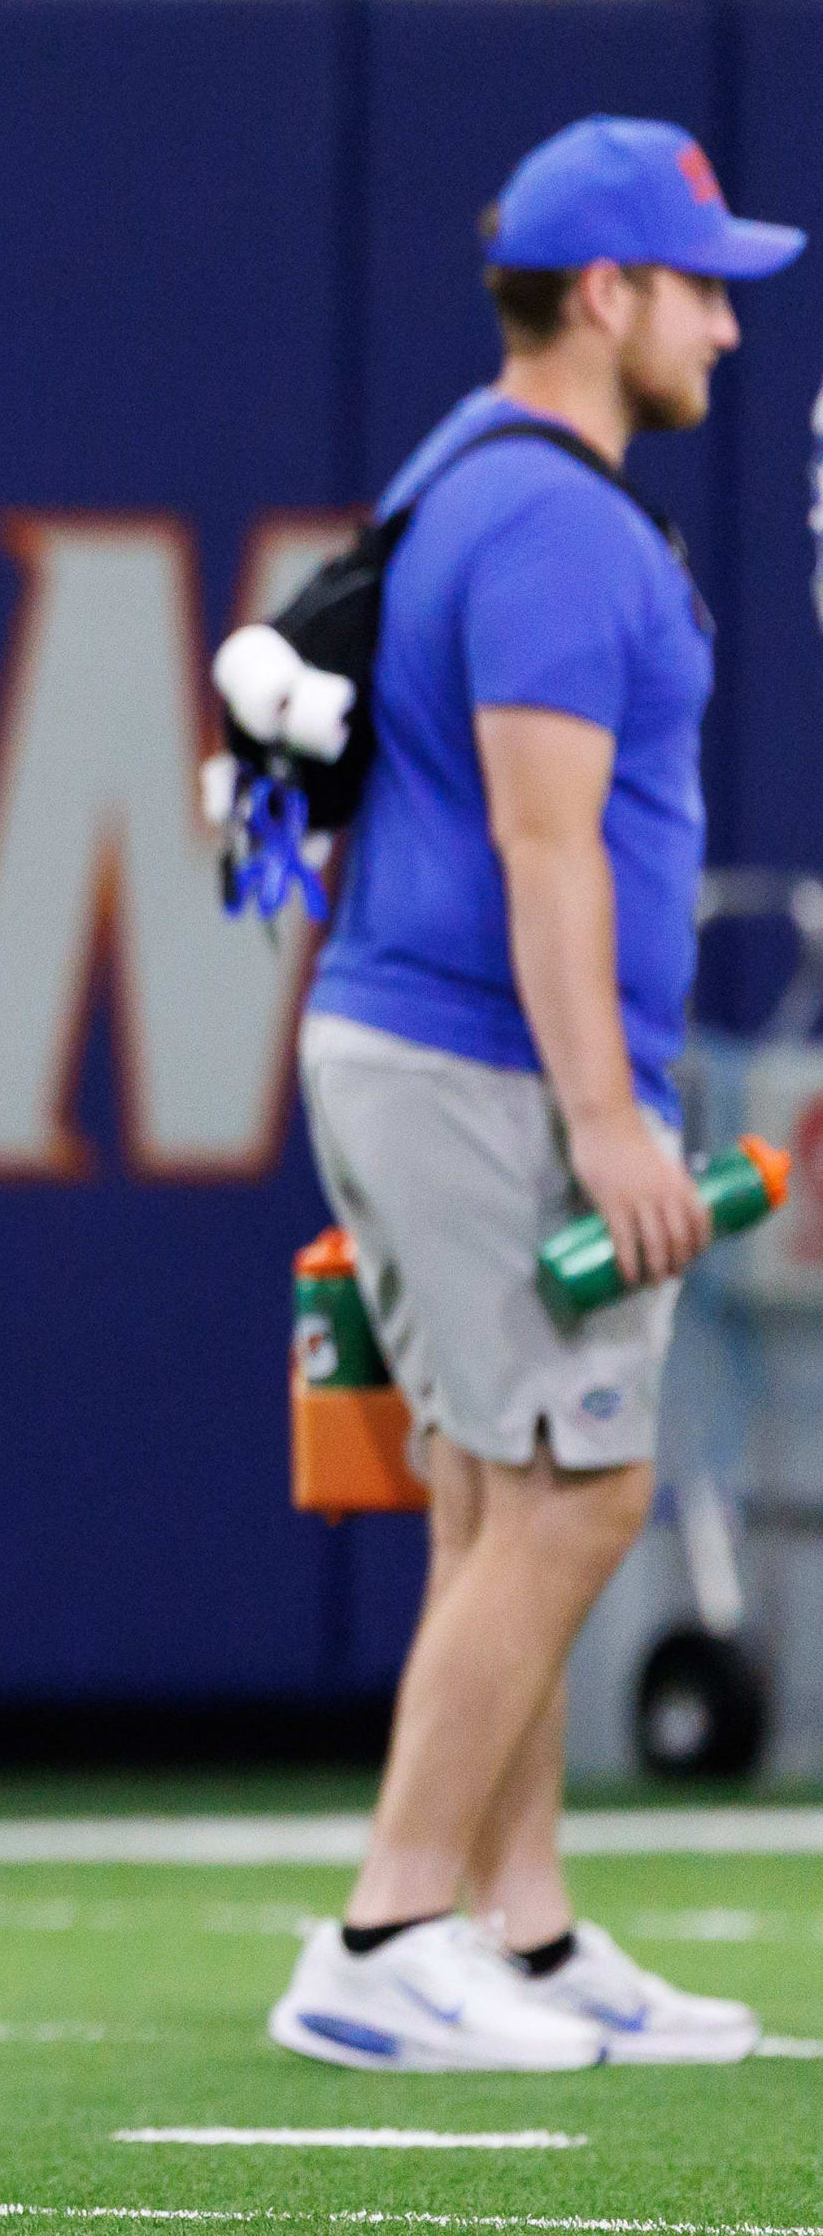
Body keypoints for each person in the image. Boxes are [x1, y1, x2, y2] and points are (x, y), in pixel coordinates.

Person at [272, 115, 801, 2072]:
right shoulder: (563, 518)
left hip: (424, 1050)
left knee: (500, 1493)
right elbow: (544, 832)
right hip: (487, 1070)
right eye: (703, 291)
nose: (729, 336)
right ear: (608, 293)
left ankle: (529, 1934)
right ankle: (389, 1928)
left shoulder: (460, 475)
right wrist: (607, 1115)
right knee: (585, 1495)